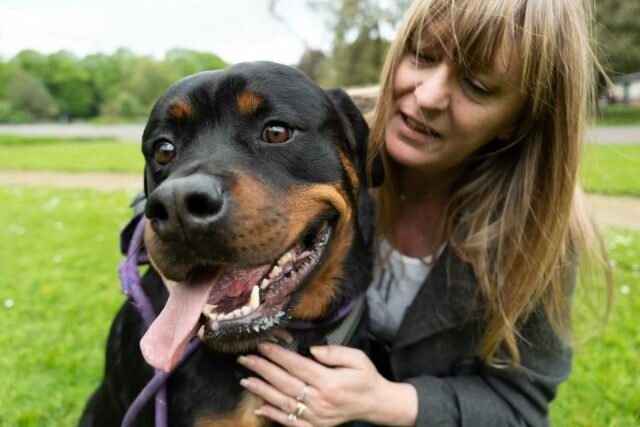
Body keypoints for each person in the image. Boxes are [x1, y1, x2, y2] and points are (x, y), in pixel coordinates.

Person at [236, 0, 611, 425]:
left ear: (518, 119)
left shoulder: (542, 230)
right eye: (422, 56)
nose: (428, 96)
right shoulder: (323, 134)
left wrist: (383, 401)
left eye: (479, 86)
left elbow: (520, 407)